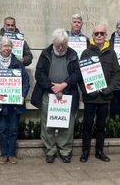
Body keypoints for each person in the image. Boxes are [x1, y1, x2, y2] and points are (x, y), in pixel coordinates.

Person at [31, 28, 82, 163]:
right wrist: (53, 87)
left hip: (68, 94)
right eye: (58, 44)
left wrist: (64, 85)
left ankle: (65, 151)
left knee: (67, 125)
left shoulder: (72, 54)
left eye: (63, 44)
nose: (61, 47)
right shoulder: (45, 53)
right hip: (49, 94)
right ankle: (50, 151)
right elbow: (39, 74)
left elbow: (77, 74)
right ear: (53, 42)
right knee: (48, 125)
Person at [79, 25, 120, 163]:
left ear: (106, 35)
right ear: (93, 35)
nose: (99, 35)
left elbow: (116, 74)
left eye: (102, 33)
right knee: (87, 125)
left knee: (101, 126)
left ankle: (99, 151)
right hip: (90, 97)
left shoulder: (112, 53)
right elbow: (80, 76)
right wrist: (87, 91)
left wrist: (110, 89)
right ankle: (85, 152)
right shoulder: (86, 53)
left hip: (104, 97)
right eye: (96, 33)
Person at [0, 36, 30, 165]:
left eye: (9, 46)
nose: (7, 48)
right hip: (1, 104)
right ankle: (4, 154)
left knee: (14, 129)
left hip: (15, 103)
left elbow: (25, 81)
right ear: (0, 48)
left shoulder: (18, 62)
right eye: (5, 46)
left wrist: (23, 95)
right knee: (3, 129)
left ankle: (12, 154)